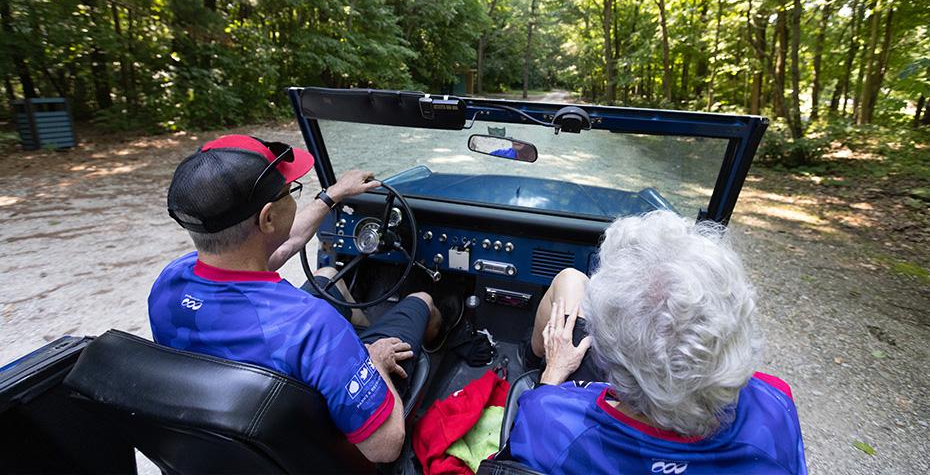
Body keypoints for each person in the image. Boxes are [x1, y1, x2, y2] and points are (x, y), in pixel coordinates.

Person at [148, 134, 442, 463]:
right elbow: (385, 447)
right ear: (268, 218)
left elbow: (280, 245)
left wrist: (330, 197)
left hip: (236, 449)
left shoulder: (170, 282)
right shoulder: (313, 326)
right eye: (290, 191)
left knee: (327, 279)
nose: (293, 196)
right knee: (422, 299)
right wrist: (373, 362)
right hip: (325, 454)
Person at [505, 210, 807, 474]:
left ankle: (531, 358)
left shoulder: (550, 420)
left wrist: (552, 374)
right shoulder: (775, 406)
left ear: (604, 352)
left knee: (570, 279)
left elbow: (510, 458)